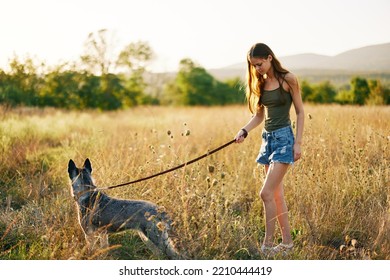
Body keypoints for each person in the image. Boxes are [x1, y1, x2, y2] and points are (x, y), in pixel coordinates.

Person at [235, 43, 304, 256]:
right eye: (253, 66)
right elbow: (258, 116)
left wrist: (298, 143)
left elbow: (300, 112)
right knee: (276, 196)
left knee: (265, 193)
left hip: (284, 139)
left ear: (269, 58)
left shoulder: (288, 80)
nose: (257, 69)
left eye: (260, 64)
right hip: (267, 141)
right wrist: (244, 131)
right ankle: (287, 244)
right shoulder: (261, 84)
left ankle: (267, 247)